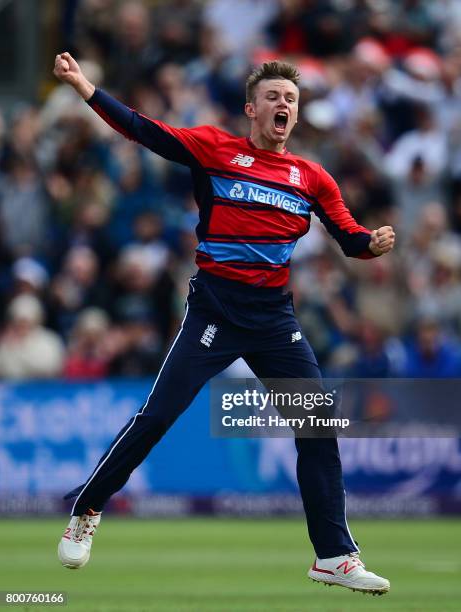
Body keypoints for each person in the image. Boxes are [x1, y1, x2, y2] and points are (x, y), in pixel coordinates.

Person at [53, 52, 395, 594]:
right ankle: (87, 507)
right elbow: (145, 130)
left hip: (274, 319)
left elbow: (349, 237)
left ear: (297, 116)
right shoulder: (215, 149)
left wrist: (371, 244)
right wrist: (87, 89)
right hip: (215, 309)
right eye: (273, 97)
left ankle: (334, 556)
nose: (283, 105)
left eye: (291, 100)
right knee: (159, 415)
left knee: (317, 427)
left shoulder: (312, 177)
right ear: (251, 109)